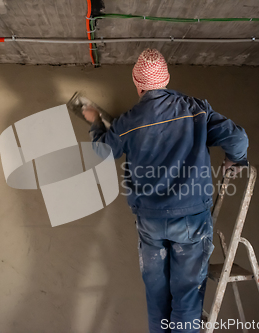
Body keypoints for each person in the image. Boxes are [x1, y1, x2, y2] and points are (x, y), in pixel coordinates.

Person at [82, 49, 248, 333]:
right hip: (191, 221)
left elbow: (102, 150)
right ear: (167, 79)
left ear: (137, 83)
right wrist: (235, 159)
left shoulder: (128, 121)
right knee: (186, 297)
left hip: (151, 223)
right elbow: (238, 138)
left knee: (157, 298)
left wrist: (95, 121)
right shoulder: (195, 109)